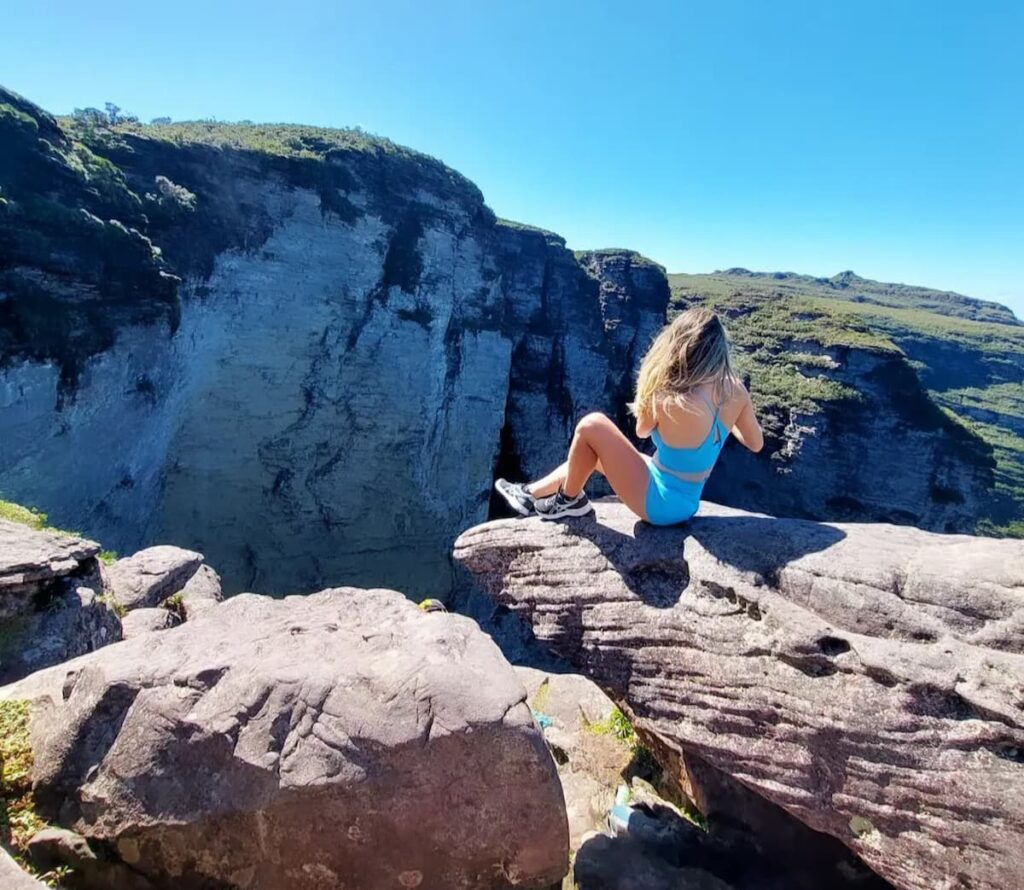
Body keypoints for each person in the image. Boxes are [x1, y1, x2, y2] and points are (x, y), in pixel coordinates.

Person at [495, 306, 763, 523]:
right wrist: (725, 424)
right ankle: (529, 494)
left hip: (659, 504)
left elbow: (642, 431)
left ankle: (569, 501)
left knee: (591, 425)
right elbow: (755, 443)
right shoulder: (734, 390)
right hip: (688, 500)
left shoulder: (670, 395)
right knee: (591, 452)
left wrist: (652, 384)